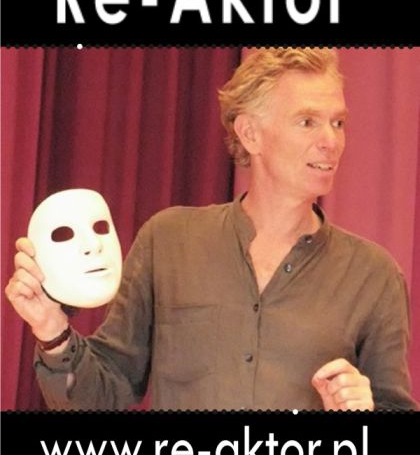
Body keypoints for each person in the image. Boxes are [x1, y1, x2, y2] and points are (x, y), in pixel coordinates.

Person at [5, 48, 417, 411]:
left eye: (338, 123)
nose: (331, 141)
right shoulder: (168, 242)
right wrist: (52, 330)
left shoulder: (375, 276)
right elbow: (102, 393)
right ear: (250, 133)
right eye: (307, 121)